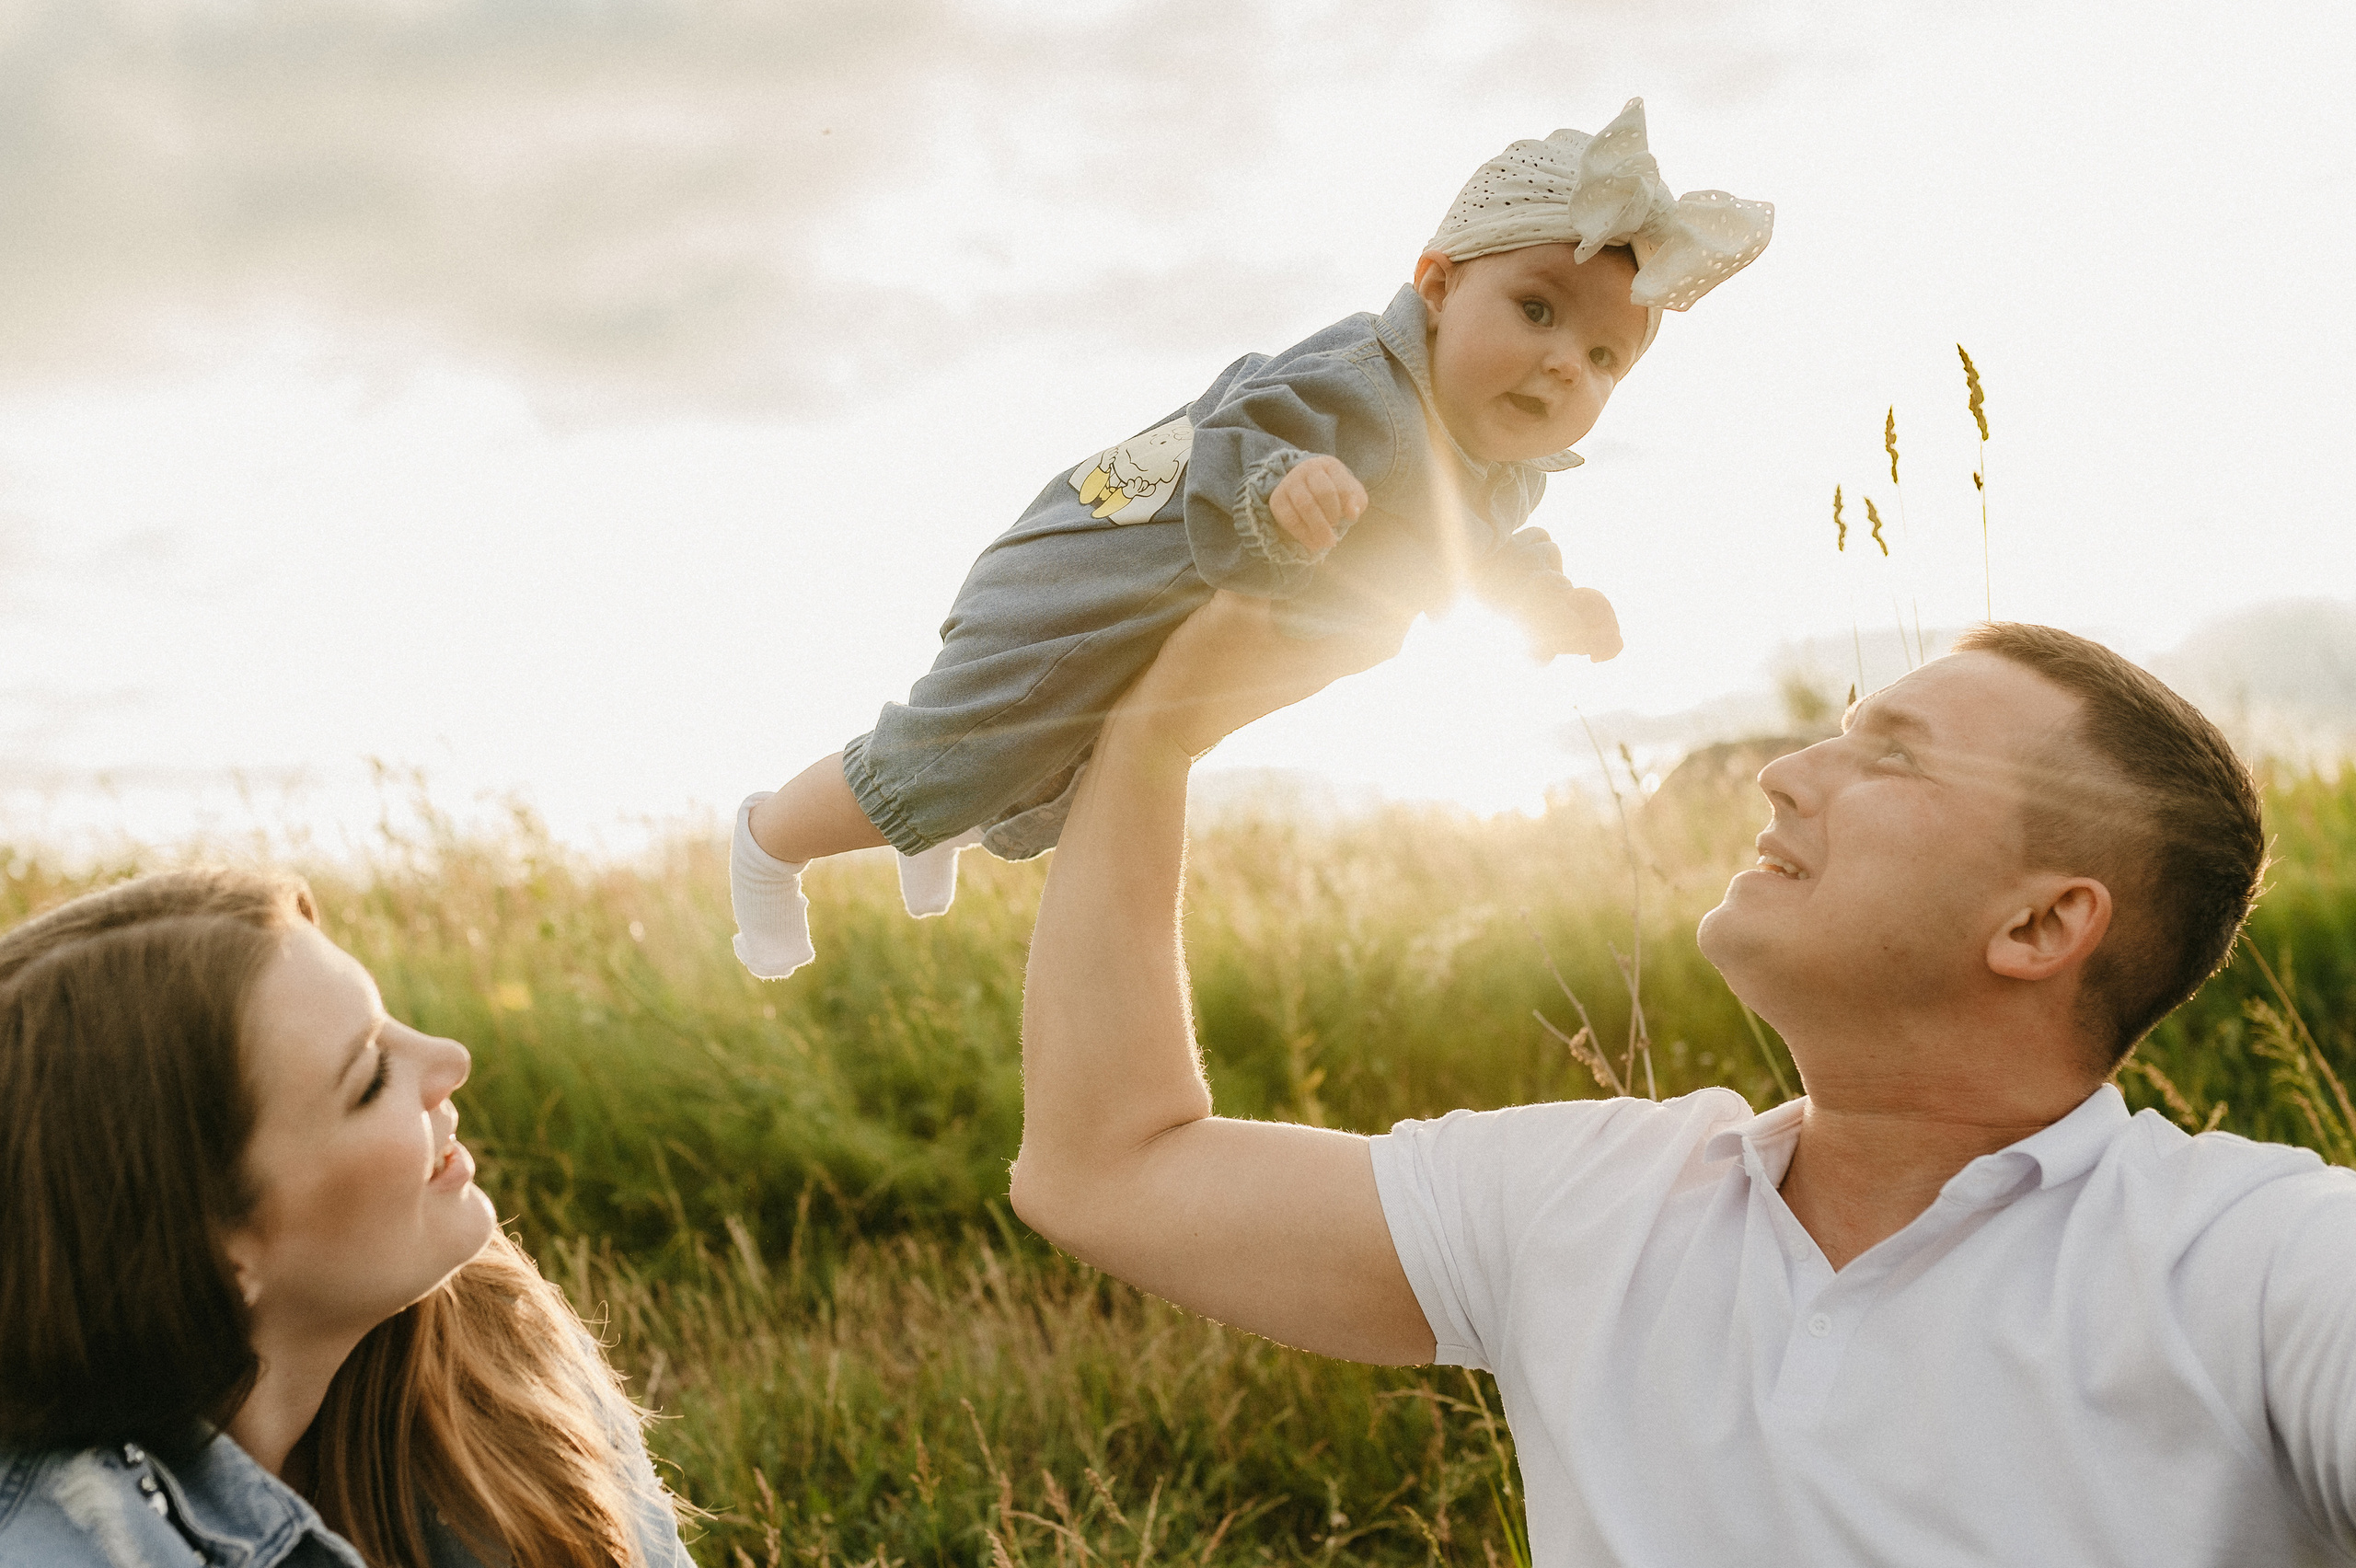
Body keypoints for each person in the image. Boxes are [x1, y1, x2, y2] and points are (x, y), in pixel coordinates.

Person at [1011, 592, 2356, 1565]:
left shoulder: (2260, 1265)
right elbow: (1107, 1169)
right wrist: (1154, 741)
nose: (1783, 774)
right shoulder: (1593, 1198)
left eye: (1893, 754)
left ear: (2041, 925)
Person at [727, 98, 1774, 979]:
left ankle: (941, 823)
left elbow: (1484, 554)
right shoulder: (1361, 382)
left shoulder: (1499, 470)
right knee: (948, 755)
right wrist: (1283, 484)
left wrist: (1547, 602)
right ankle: (770, 843)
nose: (1565, 365)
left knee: (1062, 763)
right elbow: (1237, 438)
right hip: (1076, 582)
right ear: (1438, 285)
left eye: (1604, 357)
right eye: (1538, 310)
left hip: (1160, 629)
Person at [0, 869, 693, 1568]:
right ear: (210, 1254)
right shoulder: (63, 1544)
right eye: (371, 1079)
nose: (451, 1059)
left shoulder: (490, 1341)